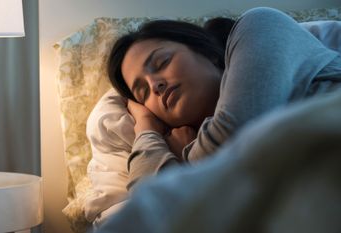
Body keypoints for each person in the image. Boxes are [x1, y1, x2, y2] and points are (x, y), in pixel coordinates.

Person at [106, 7, 341, 190]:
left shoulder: (257, 25)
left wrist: (182, 158)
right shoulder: (193, 146)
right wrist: (146, 130)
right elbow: (153, 209)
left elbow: (237, 134)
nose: (154, 85)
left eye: (162, 62)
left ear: (207, 51)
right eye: (142, 92)